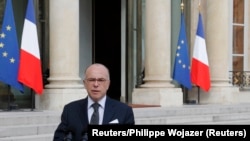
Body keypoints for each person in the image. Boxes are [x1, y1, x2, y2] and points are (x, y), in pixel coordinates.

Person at [53, 63, 135, 141]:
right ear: (85, 83)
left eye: (101, 80)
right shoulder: (70, 110)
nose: (96, 84)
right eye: (91, 80)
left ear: (108, 84)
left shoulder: (124, 111)